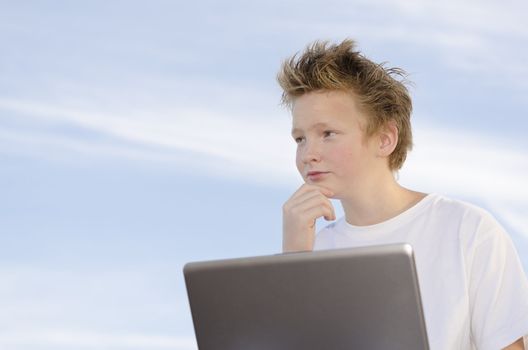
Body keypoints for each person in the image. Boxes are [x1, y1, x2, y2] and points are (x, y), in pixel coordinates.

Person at [277, 39, 528, 350]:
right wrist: (293, 260)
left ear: (384, 139)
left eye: (327, 134)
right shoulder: (311, 248)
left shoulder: (467, 230)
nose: (308, 154)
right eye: (300, 138)